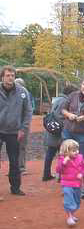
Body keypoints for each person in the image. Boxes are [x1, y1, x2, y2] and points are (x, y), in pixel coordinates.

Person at [0, 66, 32, 195]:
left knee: (14, 161)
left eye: (12, 75)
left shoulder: (22, 92)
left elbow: (28, 111)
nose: (10, 78)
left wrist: (23, 129)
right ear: (2, 77)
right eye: (7, 75)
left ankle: (15, 188)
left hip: (14, 131)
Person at [43, 84, 77, 181]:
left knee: (50, 153)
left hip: (52, 129)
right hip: (59, 130)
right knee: (62, 154)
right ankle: (60, 175)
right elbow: (61, 115)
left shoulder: (58, 99)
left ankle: (47, 174)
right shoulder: (65, 101)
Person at [55, 139, 84, 227]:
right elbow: (58, 170)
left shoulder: (80, 157)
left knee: (77, 201)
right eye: (73, 151)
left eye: (77, 150)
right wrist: (63, 163)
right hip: (67, 184)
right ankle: (69, 217)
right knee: (69, 200)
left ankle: (72, 214)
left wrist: (82, 174)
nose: (76, 152)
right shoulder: (62, 159)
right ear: (66, 151)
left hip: (77, 183)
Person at [14, 78, 33, 175]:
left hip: (22, 126)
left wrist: (24, 125)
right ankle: (16, 168)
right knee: (17, 147)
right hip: (13, 126)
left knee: (21, 147)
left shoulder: (25, 94)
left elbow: (30, 109)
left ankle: (21, 168)